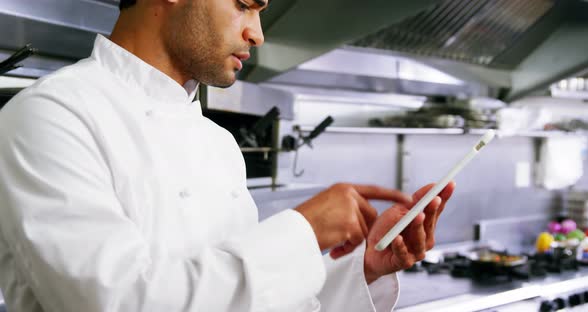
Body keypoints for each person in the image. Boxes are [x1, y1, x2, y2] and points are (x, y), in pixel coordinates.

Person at [0, 0, 455, 311]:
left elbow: (243, 300)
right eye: (244, 3)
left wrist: (365, 267)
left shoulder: (217, 142)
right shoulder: (50, 115)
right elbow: (117, 301)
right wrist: (303, 230)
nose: (256, 34)